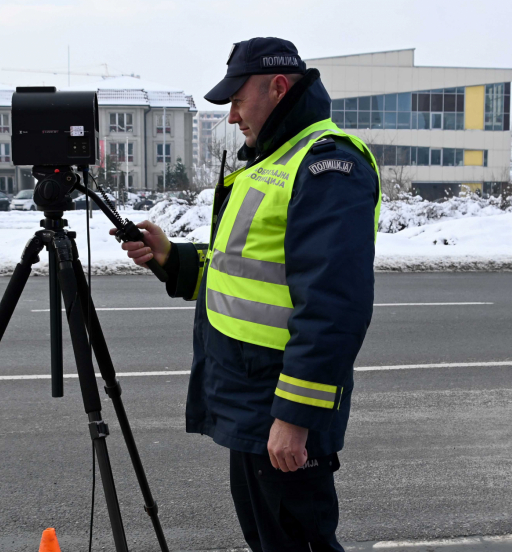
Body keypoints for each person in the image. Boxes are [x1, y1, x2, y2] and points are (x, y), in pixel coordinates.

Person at [112, 37, 381, 552]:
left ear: (278, 88)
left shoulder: (327, 166)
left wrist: (295, 417)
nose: (233, 117)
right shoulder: (271, 162)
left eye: (237, 100)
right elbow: (242, 274)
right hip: (254, 401)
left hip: (278, 406)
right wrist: (174, 259)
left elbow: (333, 307)